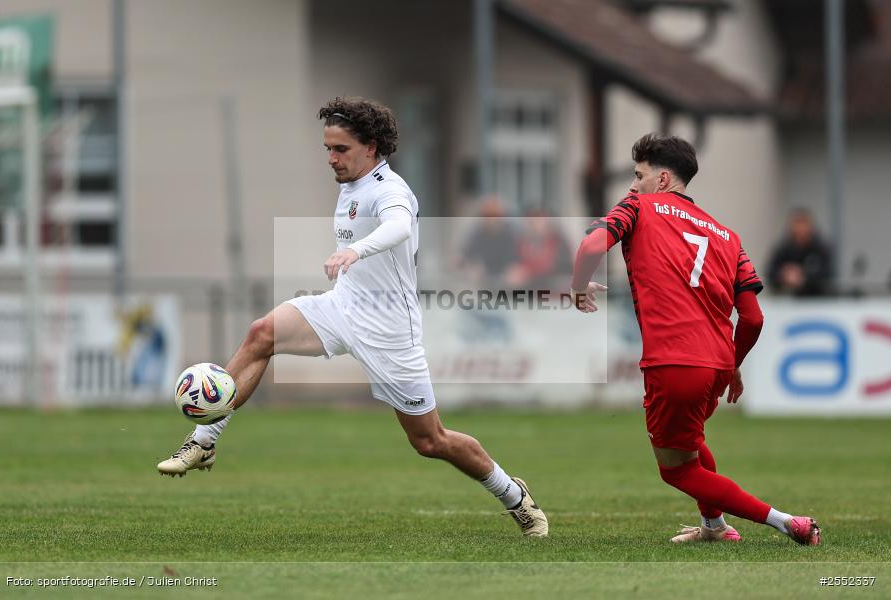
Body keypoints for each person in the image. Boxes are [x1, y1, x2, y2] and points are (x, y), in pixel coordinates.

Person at [156, 96, 548, 537]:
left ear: (372, 147)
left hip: (389, 328)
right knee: (261, 333)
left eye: (340, 149)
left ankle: (514, 496)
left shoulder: (391, 190)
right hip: (342, 307)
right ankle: (204, 442)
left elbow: (399, 225)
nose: (331, 158)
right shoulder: (350, 183)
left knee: (430, 441)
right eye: (327, 148)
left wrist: (355, 250)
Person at [570, 133, 820, 545]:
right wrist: (734, 363)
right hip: (718, 362)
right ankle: (714, 527)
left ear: (663, 179)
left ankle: (786, 522)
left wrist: (579, 286)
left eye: (639, 175)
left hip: (674, 360)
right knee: (691, 443)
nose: (633, 185)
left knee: (676, 469)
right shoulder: (727, 236)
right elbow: (754, 318)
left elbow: (591, 244)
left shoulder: (638, 207)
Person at [767, 208, 833, 296]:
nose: (800, 228)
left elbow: (828, 274)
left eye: (803, 223)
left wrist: (804, 276)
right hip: (788, 301)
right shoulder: (784, 248)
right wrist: (784, 274)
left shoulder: (821, 248)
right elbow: (770, 272)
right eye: (797, 223)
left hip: (817, 300)